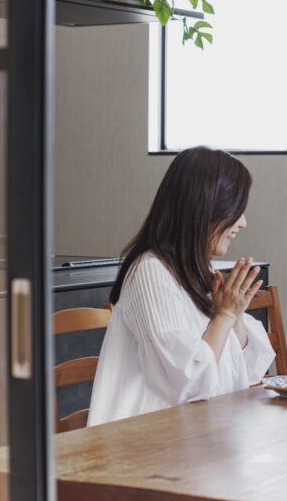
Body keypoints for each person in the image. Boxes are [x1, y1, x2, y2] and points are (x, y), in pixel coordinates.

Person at [88, 147, 275, 426]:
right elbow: (188, 383)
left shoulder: (198, 269)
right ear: (205, 207)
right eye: (236, 210)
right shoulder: (150, 273)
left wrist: (234, 315)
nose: (243, 222)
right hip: (145, 444)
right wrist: (223, 316)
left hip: (199, 435)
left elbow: (246, 372)